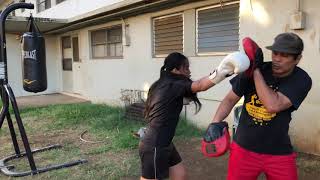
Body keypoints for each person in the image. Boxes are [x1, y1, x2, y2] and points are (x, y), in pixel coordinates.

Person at [206, 32, 312, 180]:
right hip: (243, 149)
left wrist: (255, 70)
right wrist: (215, 122)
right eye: (275, 53)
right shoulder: (256, 69)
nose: (277, 59)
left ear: (297, 59)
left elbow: (273, 105)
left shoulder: (301, 79)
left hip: (278, 152)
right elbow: (230, 99)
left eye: (285, 55)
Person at [140, 52, 250, 180]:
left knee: (180, 176)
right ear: (175, 70)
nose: (189, 71)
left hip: (166, 143)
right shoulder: (172, 85)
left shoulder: (163, 83)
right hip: (155, 145)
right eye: (185, 68)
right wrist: (223, 70)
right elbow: (200, 86)